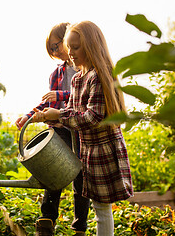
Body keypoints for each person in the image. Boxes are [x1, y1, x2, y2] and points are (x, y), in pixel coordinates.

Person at [31, 21, 134, 236]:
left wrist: (59, 114)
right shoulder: (78, 78)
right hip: (87, 150)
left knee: (102, 210)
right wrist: (45, 115)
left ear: (91, 46)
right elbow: (71, 111)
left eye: (75, 47)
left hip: (102, 150)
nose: (71, 53)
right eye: (69, 47)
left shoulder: (97, 76)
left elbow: (92, 117)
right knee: (99, 208)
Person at [15, 23, 90, 236]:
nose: (56, 53)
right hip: (61, 128)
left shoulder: (86, 67)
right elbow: (49, 104)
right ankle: (47, 219)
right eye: (52, 50)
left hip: (82, 128)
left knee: (81, 179)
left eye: (57, 46)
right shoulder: (56, 74)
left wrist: (63, 96)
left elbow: (85, 95)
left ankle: (80, 227)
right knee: (53, 169)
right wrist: (29, 116)